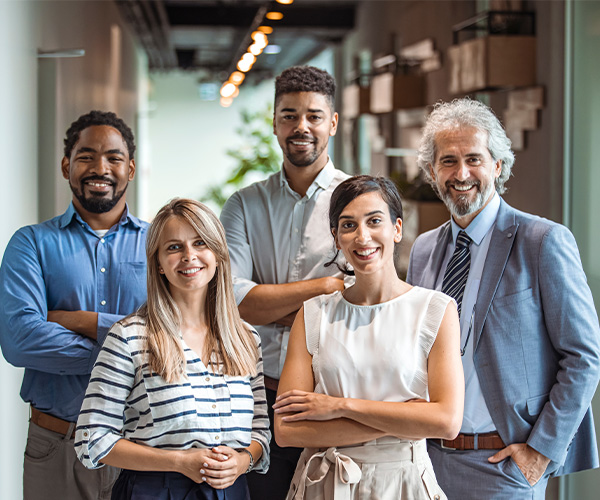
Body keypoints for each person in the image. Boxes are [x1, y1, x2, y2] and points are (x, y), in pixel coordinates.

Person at [406, 98, 600, 499]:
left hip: (504, 465)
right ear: (431, 172)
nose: (462, 174)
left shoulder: (542, 241)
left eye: (474, 159)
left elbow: (583, 357)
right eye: (448, 161)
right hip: (427, 461)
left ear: (497, 165)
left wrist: (540, 452)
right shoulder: (423, 249)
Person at [273, 175, 464, 499]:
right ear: (336, 238)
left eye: (375, 221)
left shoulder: (435, 310)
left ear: (397, 228)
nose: (363, 237)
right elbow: (287, 431)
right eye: (348, 225)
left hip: (402, 484)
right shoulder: (313, 314)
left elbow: (446, 421)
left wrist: (339, 406)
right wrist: (409, 420)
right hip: (324, 484)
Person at [75, 198, 270, 499]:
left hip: (232, 490)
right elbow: (91, 439)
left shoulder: (245, 338)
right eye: (174, 247)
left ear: (218, 254)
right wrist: (178, 462)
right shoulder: (129, 337)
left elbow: (260, 434)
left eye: (200, 243)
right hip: (153, 490)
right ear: (159, 264)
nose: (189, 256)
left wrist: (243, 461)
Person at [0, 110, 148, 500]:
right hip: (57, 445)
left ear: (130, 169)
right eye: (86, 156)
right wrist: (131, 352)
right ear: (67, 165)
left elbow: (180, 335)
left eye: (114, 158)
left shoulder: (160, 245)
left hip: (144, 444)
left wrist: (81, 321)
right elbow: (20, 340)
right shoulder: (30, 244)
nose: (100, 168)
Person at [220, 65, 350, 499]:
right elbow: (234, 303)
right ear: (275, 122)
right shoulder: (243, 204)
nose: (301, 126)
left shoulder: (359, 199)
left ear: (332, 122)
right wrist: (322, 290)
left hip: (336, 397)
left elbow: (360, 300)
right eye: (289, 115)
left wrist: (269, 302)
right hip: (258, 398)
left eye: (314, 115)